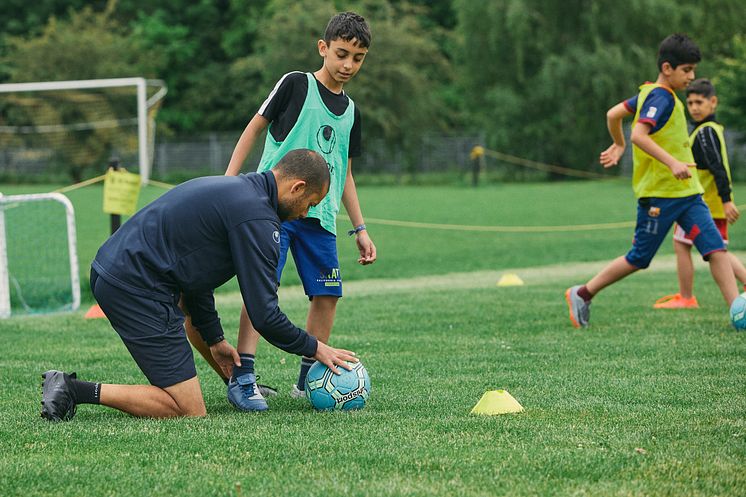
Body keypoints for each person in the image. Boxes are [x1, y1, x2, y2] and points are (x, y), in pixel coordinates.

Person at [40, 149, 358, 421]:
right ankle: (72, 389)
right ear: (297, 187)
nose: (307, 213)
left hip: (124, 273)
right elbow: (264, 315)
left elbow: (195, 277)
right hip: (135, 285)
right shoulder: (257, 219)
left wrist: (216, 340)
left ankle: (234, 382)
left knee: (188, 384)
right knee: (187, 409)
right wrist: (316, 347)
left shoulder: (243, 192)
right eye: (311, 203)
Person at [184, 12, 377, 411]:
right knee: (262, 290)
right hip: (270, 212)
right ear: (323, 48)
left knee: (327, 295)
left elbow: (345, 172)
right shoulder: (295, 84)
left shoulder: (352, 111)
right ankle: (245, 378)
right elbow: (253, 128)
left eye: (357, 58)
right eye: (341, 54)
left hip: (320, 220)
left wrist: (360, 226)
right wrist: (228, 182)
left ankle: (311, 380)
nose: (347, 65)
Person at [565, 33, 739, 328]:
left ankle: (738, 312)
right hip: (660, 197)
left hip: (688, 194)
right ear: (667, 68)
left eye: (693, 70)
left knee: (715, 249)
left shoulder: (649, 94)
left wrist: (617, 144)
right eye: (687, 70)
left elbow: (613, 114)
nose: (691, 76)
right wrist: (669, 161)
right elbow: (639, 134)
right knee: (639, 258)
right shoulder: (659, 96)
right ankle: (582, 293)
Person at [653, 78, 746, 308]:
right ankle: (687, 296)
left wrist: (726, 201)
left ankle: (686, 298)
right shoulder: (707, 130)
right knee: (698, 247)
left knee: (706, 249)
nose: (694, 107)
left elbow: (718, 167)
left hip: (705, 204)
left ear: (713, 102)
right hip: (701, 204)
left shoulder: (705, 132)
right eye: (691, 102)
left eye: (699, 102)